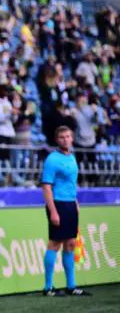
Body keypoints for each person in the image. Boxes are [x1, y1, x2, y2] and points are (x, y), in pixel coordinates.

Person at [41, 126, 91, 297]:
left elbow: (71, 183)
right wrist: (53, 211)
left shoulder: (72, 158)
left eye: (68, 136)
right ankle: (48, 287)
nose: (65, 139)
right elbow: (46, 186)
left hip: (70, 204)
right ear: (57, 140)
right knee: (54, 243)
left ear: (72, 138)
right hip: (58, 203)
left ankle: (71, 285)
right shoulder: (52, 160)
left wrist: (75, 203)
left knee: (70, 243)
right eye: (62, 137)